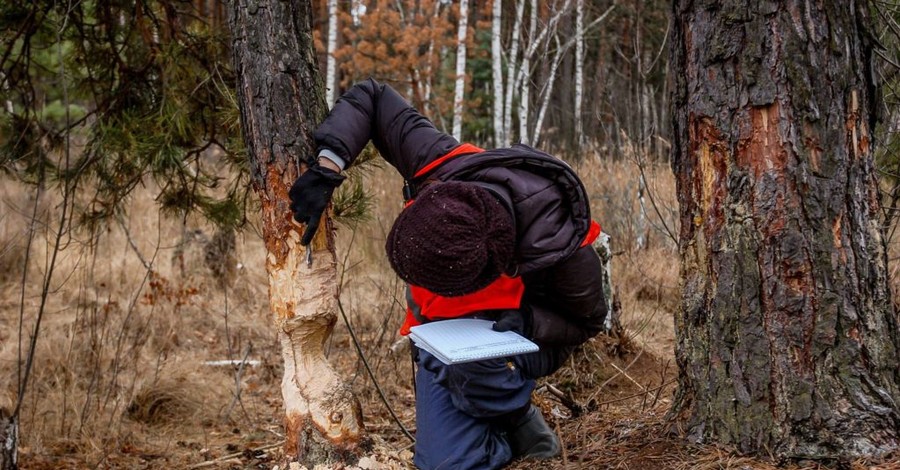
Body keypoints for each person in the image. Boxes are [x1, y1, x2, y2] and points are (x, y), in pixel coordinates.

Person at [289, 78, 607, 470]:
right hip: (440, 341)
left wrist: (526, 322)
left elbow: (588, 322)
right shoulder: (439, 162)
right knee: (446, 465)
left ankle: (515, 413)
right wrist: (327, 167)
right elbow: (372, 97)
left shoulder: (560, 247)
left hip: (516, 340)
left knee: (467, 366)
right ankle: (501, 427)